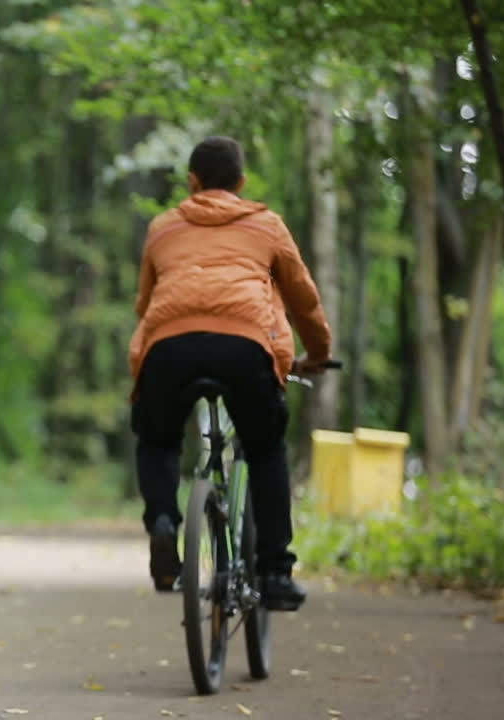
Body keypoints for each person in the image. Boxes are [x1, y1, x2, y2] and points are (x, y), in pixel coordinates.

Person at [128, 136, 333, 611]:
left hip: (168, 347)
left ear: (191, 182)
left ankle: (162, 520)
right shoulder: (266, 225)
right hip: (244, 346)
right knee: (264, 449)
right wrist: (317, 353)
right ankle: (276, 572)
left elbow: (146, 305)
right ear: (241, 183)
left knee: (157, 437)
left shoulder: (162, 228)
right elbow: (304, 300)